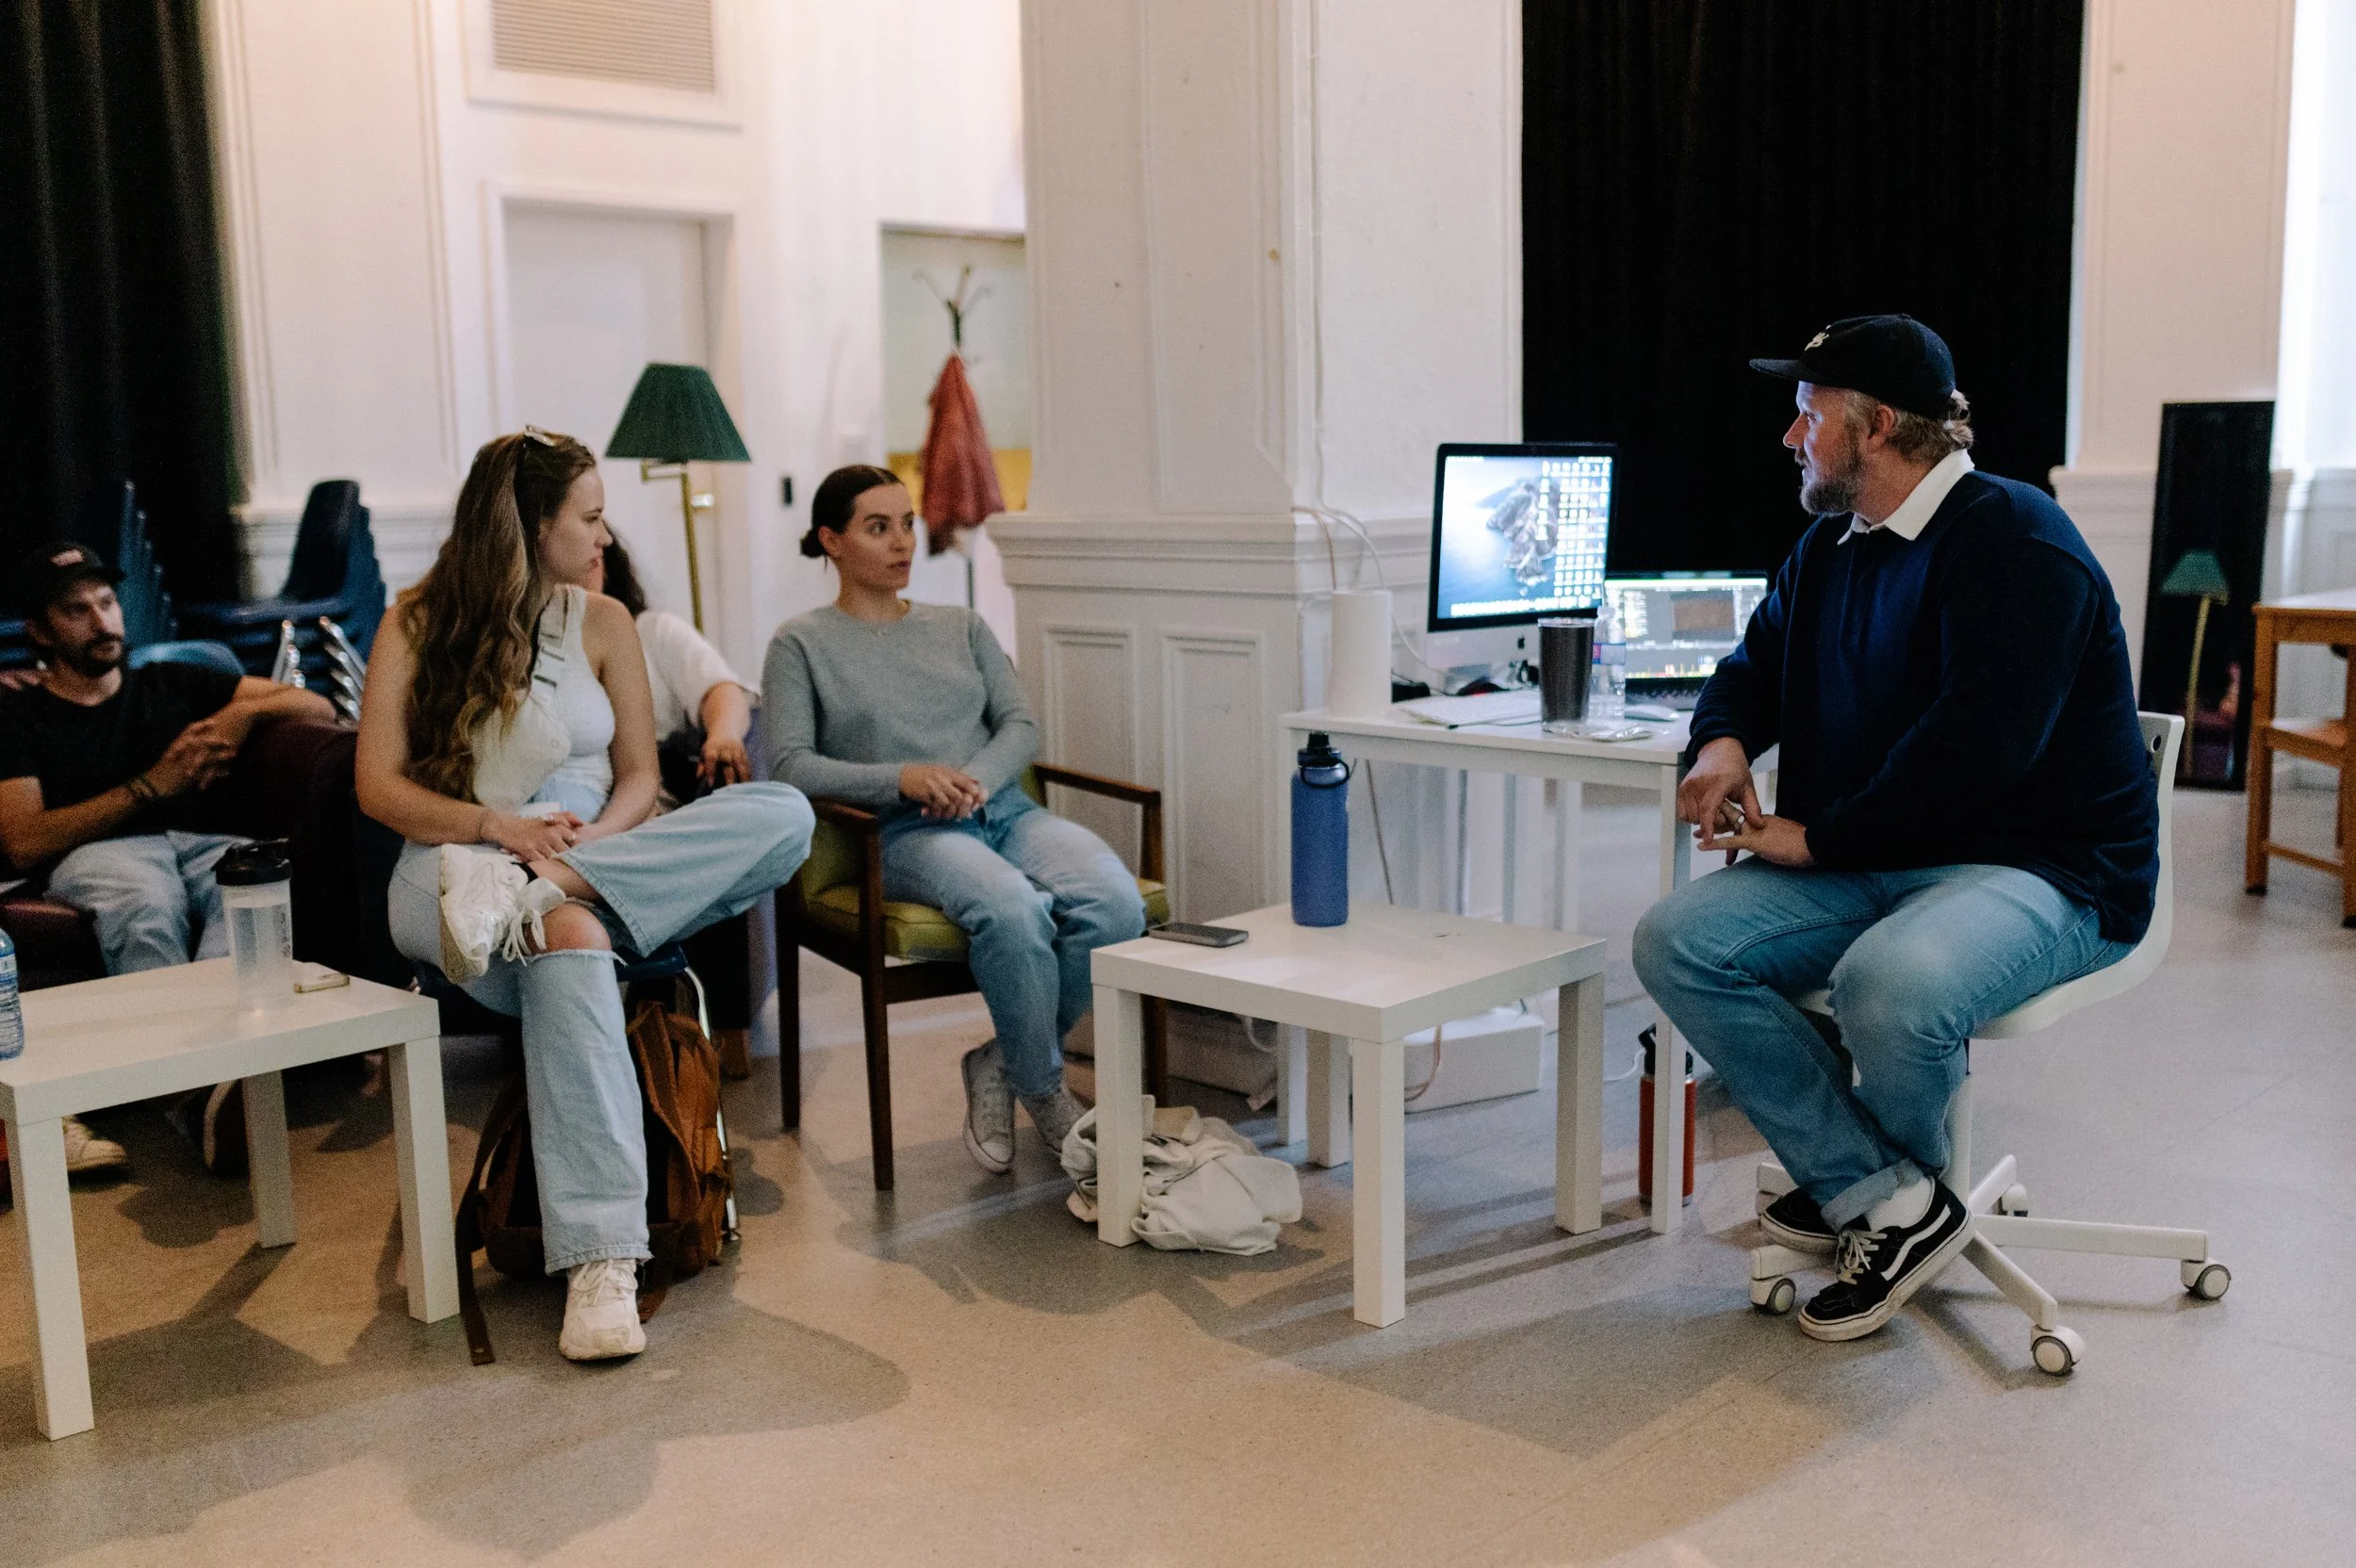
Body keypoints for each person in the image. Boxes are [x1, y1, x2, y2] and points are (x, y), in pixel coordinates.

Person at [1630, 316, 2158, 1344]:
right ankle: (1882, 1191)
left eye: (1806, 412)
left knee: (1890, 982)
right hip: (1880, 852)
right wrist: (1722, 741)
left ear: (1873, 426)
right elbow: (1750, 668)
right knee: (1676, 940)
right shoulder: (1829, 546)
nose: (1790, 437)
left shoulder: (2018, 541)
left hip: (2047, 869)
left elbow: (1975, 753)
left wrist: (1815, 841)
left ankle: (1875, 1195)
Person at [355, 427, 811, 1362]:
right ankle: (601, 1259)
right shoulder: (412, 623)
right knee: (567, 937)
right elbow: (379, 789)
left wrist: (581, 851)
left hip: (589, 858)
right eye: (590, 516)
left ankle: (548, 890)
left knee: (782, 813)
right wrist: (495, 831)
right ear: (532, 522)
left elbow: (641, 780)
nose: (604, 535)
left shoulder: (604, 621)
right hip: (450, 867)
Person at [762, 466, 1145, 1175]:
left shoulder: (962, 626)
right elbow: (789, 765)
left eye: (906, 523)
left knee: (1115, 905)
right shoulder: (801, 644)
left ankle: (1002, 1062)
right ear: (832, 541)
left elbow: (1020, 724)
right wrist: (901, 779)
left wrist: (976, 783)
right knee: (1011, 909)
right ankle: (1046, 1091)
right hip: (906, 834)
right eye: (878, 527)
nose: (903, 541)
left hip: (1005, 810)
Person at [0, 542, 335, 1177]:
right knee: (147, 905)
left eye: (107, 602)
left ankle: (218, 1070)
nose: (102, 622)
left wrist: (238, 716)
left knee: (250, 889)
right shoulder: (17, 716)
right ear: (39, 631)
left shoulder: (174, 681)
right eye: (77, 610)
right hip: (100, 855)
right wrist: (152, 786)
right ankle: (194, 1085)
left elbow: (316, 707)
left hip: (202, 845)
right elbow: (25, 839)